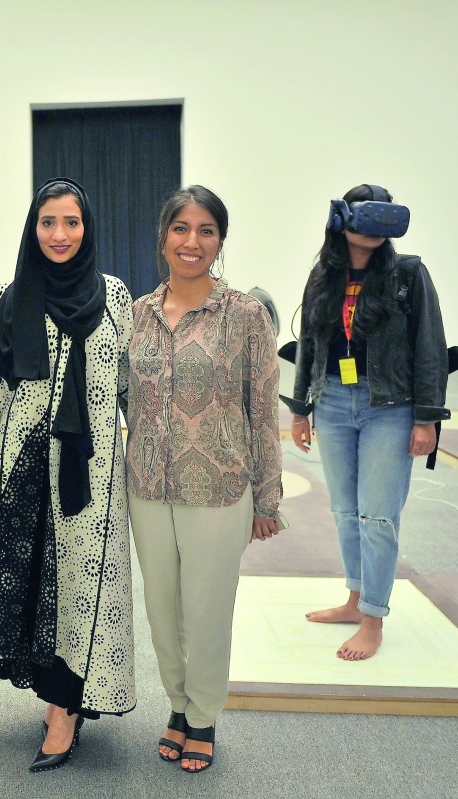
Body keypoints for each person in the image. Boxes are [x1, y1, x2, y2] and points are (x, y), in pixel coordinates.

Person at [0, 177, 135, 773]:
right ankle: (54, 690)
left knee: (82, 586)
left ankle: (67, 710)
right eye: (48, 223)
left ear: (87, 227)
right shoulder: (11, 296)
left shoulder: (115, 297)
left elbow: (126, 387)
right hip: (25, 460)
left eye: (71, 222)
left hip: (89, 470)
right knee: (35, 576)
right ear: (32, 229)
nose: (59, 235)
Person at [125, 185, 283, 774]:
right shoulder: (136, 313)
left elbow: (264, 409)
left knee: (208, 609)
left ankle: (205, 716)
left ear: (220, 240)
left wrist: (267, 497)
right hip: (146, 486)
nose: (192, 242)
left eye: (206, 231)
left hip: (218, 486)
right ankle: (176, 703)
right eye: (181, 229)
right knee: (162, 610)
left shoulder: (245, 315)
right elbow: (121, 399)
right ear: (163, 235)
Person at [287, 183, 449, 661]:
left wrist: (426, 419)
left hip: (391, 408)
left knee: (378, 515)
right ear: (343, 220)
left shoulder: (408, 274)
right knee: (344, 511)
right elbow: (308, 346)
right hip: (333, 400)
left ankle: (374, 618)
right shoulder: (323, 274)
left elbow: (430, 347)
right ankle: (356, 600)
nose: (376, 230)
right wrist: (301, 409)